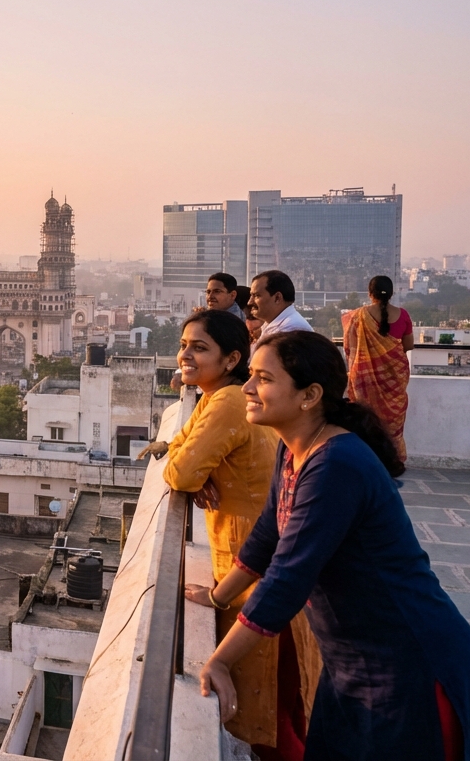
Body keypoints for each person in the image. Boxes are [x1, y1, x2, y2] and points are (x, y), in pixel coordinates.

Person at [192, 331, 470, 760]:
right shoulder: (294, 452)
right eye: (250, 375)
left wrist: (218, 660)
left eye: (263, 379)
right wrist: (218, 597)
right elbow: (267, 537)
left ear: (309, 395)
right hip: (352, 661)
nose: (248, 388)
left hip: (407, 660)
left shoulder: (336, 464)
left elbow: (288, 577)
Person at [139, 310, 319, 753]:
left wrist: (197, 473)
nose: (185, 355)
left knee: (274, 699)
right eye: (184, 345)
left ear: (231, 358)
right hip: (248, 547)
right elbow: (183, 451)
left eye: (199, 347)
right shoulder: (215, 398)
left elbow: (180, 472)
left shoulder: (228, 402)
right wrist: (198, 468)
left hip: (252, 553)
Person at [342, 275, 414, 462]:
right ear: (391, 293)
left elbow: (350, 347)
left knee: (365, 418)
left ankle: (364, 456)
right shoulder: (403, 315)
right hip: (394, 377)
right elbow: (408, 345)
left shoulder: (357, 316)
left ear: (370, 293)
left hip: (363, 378)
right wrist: (388, 355)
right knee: (390, 420)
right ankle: (390, 458)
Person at [247, 270, 311, 350]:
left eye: (256, 296)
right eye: (251, 296)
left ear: (277, 298)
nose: (249, 302)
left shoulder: (290, 330)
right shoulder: (273, 324)